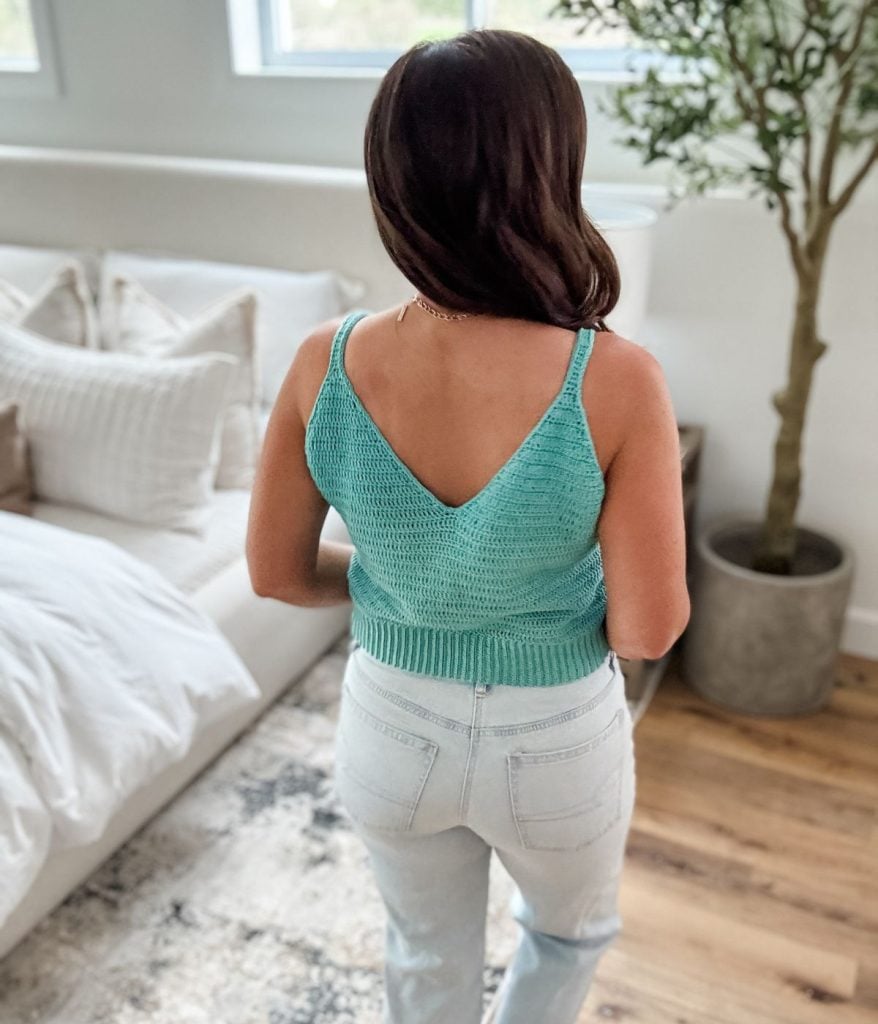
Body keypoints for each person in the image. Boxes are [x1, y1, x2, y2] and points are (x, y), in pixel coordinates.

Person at [246, 27, 690, 1024]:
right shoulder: (612, 377)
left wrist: (401, 590)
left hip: (390, 724)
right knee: (568, 933)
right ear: (550, 165)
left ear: (393, 177)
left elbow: (274, 571)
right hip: (555, 738)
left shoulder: (325, 358)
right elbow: (645, 630)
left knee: (423, 957)